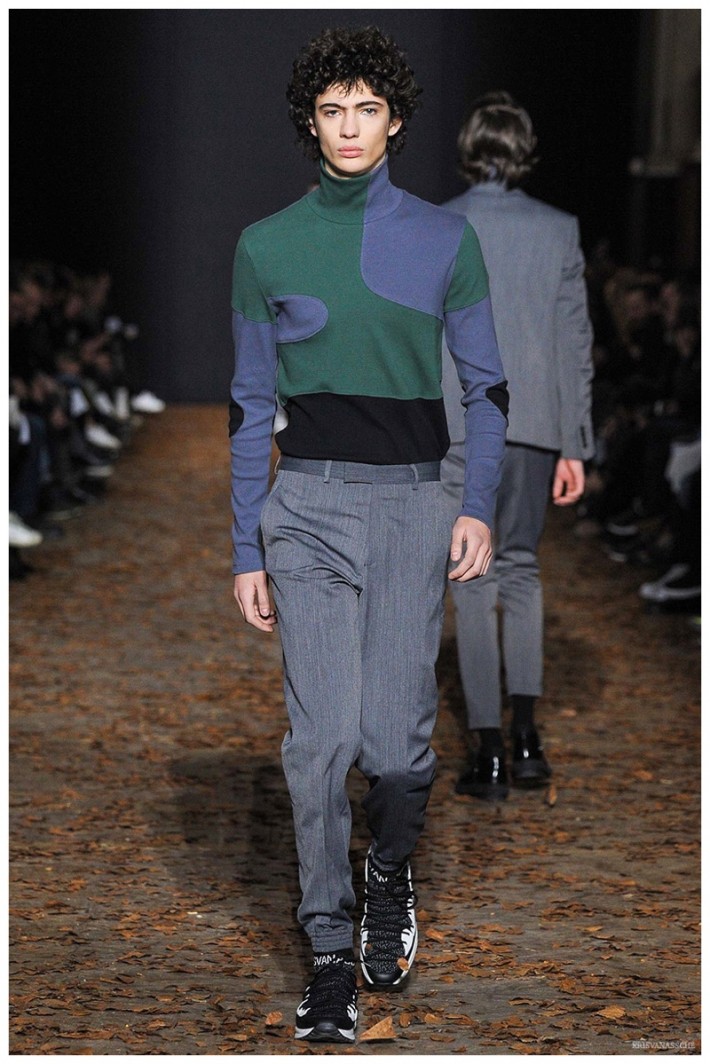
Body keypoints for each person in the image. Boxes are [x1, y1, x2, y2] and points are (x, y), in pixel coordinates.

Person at [229, 27, 508, 1044]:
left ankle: (388, 869)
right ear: (311, 122)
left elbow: (486, 386)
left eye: (367, 109)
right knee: (318, 745)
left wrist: (475, 502)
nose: (349, 127)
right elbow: (249, 402)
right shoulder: (264, 245)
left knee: (396, 751)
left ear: (394, 121)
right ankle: (328, 953)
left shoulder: (444, 240)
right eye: (332, 109)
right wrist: (245, 545)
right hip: (306, 508)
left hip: (410, 507)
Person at [440, 92, 594, 801]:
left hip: (459, 422)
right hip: (533, 423)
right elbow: (572, 343)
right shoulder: (558, 229)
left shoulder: (441, 225)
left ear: (469, 148)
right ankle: (528, 739)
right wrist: (575, 443)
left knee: (472, 579)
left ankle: (489, 752)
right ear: (524, 149)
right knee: (522, 569)